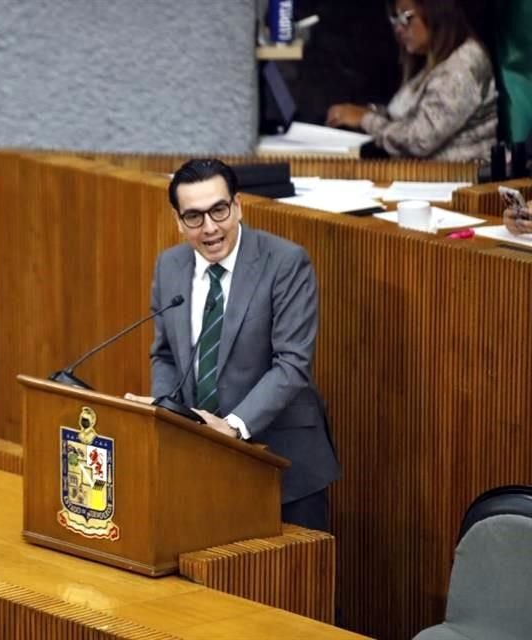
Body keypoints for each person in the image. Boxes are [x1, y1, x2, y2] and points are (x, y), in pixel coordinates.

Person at [130, 158, 340, 531]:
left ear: (238, 206)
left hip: (284, 465)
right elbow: (164, 355)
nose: (210, 228)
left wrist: (232, 427)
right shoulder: (170, 267)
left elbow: (291, 364)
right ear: (178, 222)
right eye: (194, 217)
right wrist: (168, 414)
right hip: (204, 464)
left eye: (219, 210)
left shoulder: (285, 263)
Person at [325, 0, 497, 162]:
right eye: (395, 19)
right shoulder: (434, 61)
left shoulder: (463, 64)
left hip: (457, 183)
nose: (398, 29)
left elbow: (420, 140)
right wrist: (371, 112)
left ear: (436, 10)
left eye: (406, 17)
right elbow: (410, 116)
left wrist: (365, 119)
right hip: (426, 178)